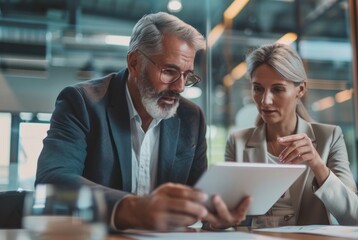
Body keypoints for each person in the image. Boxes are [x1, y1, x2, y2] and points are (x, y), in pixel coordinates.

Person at [36, 12, 250, 231]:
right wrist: (135, 209)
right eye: (169, 71)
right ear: (135, 63)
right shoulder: (82, 103)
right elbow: (51, 180)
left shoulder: (191, 118)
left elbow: (199, 196)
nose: (179, 87)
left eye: (187, 76)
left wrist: (214, 216)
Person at [224, 43, 358, 228]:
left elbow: (353, 216)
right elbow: (224, 215)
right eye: (258, 88)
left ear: (301, 89)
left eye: (278, 89)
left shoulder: (329, 137)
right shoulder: (238, 142)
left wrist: (317, 164)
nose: (265, 100)